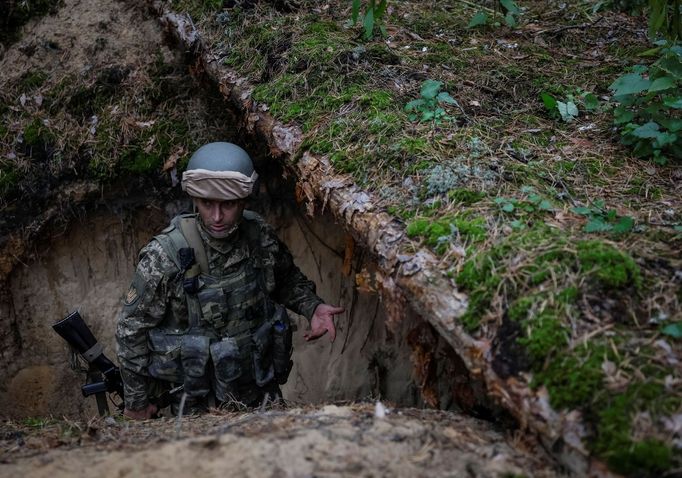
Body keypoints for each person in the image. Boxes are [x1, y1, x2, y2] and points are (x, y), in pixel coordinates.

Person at [115, 142, 344, 419]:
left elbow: (285, 280)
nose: (217, 217)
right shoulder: (166, 255)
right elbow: (132, 330)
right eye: (206, 204)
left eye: (228, 205)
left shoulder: (259, 236)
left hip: (261, 395)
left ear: (244, 200)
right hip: (197, 407)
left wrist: (313, 307)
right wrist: (137, 403)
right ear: (195, 199)